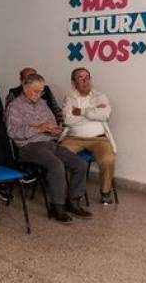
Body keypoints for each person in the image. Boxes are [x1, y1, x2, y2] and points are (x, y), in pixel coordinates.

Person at [6, 73, 91, 223]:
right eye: (36, 91)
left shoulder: (42, 104)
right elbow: (13, 132)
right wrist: (37, 129)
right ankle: (57, 206)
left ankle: (73, 201)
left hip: (49, 143)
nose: (39, 95)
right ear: (25, 88)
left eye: (41, 91)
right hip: (28, 146)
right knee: (56, 165)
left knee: (80, 164)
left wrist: (56, 131)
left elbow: (51, 123)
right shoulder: (14, 107)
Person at [60, 68, 117, 205]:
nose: (85, 80)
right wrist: (93, 113)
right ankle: (71, 194)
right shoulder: (69, 97)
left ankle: (105, 192)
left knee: (108, 159)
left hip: (98, 138)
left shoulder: (100, 96)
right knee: (59, 157)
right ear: (74, 82)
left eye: (87, 77)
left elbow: (105, 115)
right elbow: (68, 120)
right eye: (80, 78)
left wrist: (82, 112)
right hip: (74, 138)